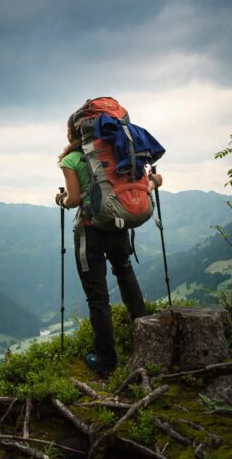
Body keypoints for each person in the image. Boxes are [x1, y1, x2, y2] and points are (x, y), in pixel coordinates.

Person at [55, 116, 163, 378]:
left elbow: (74, 199)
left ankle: (106, 360)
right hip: (118, 225)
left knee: (97, 296)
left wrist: (60, 199)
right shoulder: (116, 152)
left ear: (73, 132)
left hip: (90, 230)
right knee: (125, 274)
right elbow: (132, 187)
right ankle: (145, 339)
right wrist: (154, 183)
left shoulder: (70, 160)